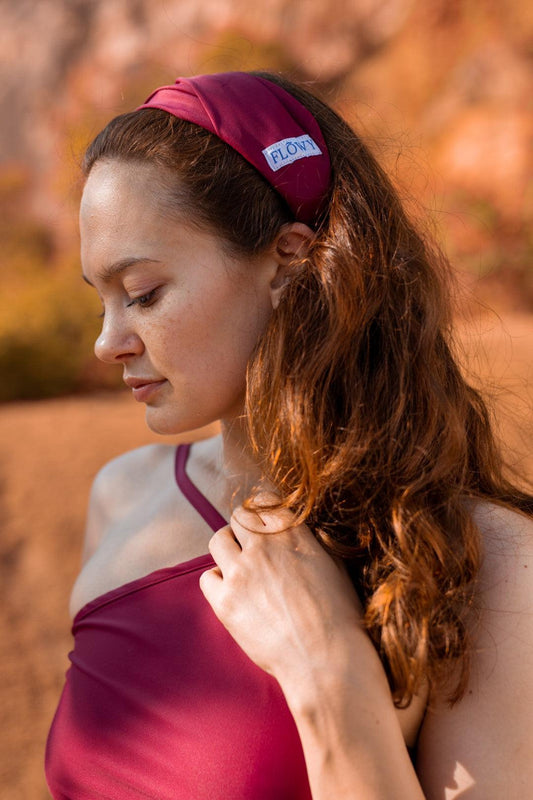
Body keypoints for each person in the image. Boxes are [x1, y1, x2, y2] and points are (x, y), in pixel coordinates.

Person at [45, 71, 533, 800]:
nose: (108, 341)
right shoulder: (122, 498)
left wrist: (328, 670)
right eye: (103, 300)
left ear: (288, 260)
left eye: (143, 293)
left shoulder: (487, 565)